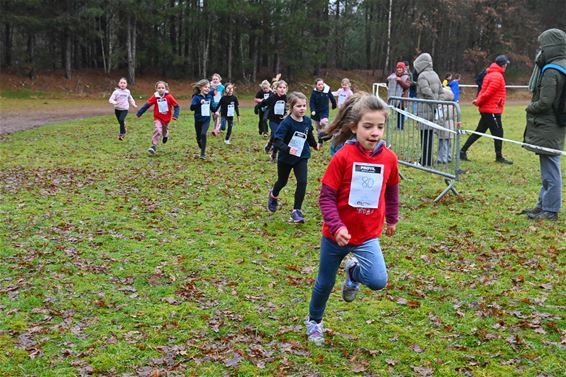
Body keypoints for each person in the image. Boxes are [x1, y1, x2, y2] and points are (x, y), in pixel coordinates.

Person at [304, 92, 399, 346]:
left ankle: (354, 274)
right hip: (335, 236)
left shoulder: (389, 158)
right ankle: (314, 321)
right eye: (368, 127)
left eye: (380, 126)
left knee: (378, 281)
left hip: (366, 235)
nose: (375, 133)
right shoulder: (342, 157)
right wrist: (336, 227)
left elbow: (392, 188)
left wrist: (392, 218)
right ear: (354, 127)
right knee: (324, 283)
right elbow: (326, 197)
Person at [522, 28, 566, 221]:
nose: (539, 51)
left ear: (550, 47)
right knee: (548, 166)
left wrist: (530, 107)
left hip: (548, 125)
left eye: (542, 47)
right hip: (555, 124)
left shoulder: (551, 70)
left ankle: (550, 210)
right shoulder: (562, 65)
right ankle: (543, 205)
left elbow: (545, 101)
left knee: (550, 168)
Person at [267, 92, 319, 223]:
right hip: (286, 158)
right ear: (291, 107)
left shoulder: (307, 120)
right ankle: (273, 194)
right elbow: (277, 141)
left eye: (304, 106)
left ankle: (296, 211)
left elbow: (309, 134)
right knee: (282, 181)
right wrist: (289, 149)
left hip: (301, 156)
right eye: (298, 106)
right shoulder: (286, 123)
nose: (302, 108)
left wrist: (314, 145)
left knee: (302, 182)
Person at [460, 55, 513, 164]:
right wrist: (478, 101)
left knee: (479, 131)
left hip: (489, 109)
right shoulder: (497, 76)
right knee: (498, 133)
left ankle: (462, 151)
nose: (507, 66)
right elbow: (488, 93)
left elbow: (484, 91)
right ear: (503, 65)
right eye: (506, 64)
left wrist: (479, 101)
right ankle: (499, 157)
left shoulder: (490, 74)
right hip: (491, 110)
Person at [136, 81, 179, 155]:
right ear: (156, 89)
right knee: (158, 130)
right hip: (158, 118)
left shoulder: (169, 97)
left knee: (164, 131)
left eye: (162, 88)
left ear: (166, 88)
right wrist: (139, 113)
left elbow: (176, 106)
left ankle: (165, 135)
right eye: (159, 88)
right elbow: (147, 105)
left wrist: (175, 115)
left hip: (167, 118)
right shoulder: (155, 97)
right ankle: (153, 146)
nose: (161, 89)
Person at [414, 52, 442, 166]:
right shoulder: (435, 74)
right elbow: (441, 90)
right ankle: (428, 158)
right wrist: (437, 104)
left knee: (424, 136)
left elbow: (426, 91)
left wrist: (433, 103)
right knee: (429, 135)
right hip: (433, 109)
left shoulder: (422, 76)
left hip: (425, 108)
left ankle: (424, 160)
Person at [261, 80, 288, 162]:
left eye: (284, 88)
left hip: (282, 121)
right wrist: (258, 107)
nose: (282, 89)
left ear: (286, 89)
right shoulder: (272, 97)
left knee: (276, 136)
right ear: (276, 89)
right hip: (273, 120)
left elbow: (290, 107)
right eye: (280, 87)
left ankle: (269, 146)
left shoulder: (286, 98)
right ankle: (274, 155)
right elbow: (264, 102)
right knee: (276, 135)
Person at [190, 79, 218, 160]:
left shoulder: (209, 96)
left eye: (209, 87)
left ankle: (202, 153)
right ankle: (199, 141)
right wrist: (200, 103)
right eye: (205, 87)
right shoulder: (196, 97)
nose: (207, 89)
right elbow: (192, 108)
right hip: (198, 119)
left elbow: (211, 106)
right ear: (200, 87)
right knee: (199, 137)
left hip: (206, 119)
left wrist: (215, 111)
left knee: (203, 134)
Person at [386, 62, 411, 130]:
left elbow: (407, 86)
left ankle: (401, 126)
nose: (399, 69)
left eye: (400, 68)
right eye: (398, 68)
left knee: (401, 112)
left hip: (402, 97)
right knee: (397, 112)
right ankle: (398, 126)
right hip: (395, 96)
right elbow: (388, 84)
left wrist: (400, 81)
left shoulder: (407, 77)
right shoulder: (393, 75)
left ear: (403, 69)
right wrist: (388, 80)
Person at [436, 85, 456, 163]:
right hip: (450, 126)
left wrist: (437, 125)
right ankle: (449, 156)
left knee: (442, 143)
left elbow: (441, 117)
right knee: (448, 143)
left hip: (443, 126)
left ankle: (442, 158)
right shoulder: (453, 105)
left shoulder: (443, 105)